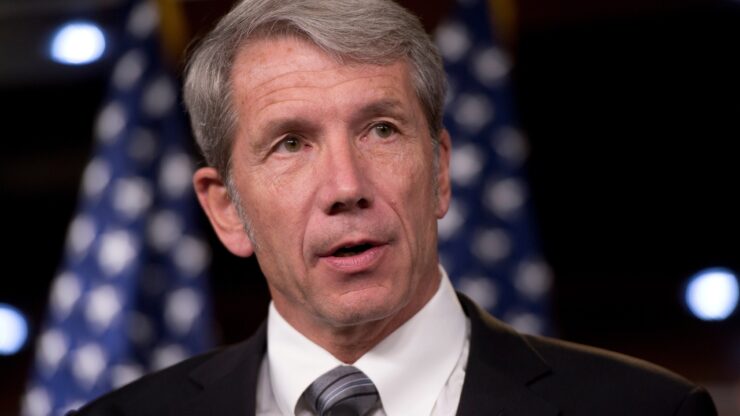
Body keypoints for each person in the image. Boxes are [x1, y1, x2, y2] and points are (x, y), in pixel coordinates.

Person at [73, 0, 717, 415]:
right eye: (291, 143)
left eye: (381, 130)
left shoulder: (648, 410)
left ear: (439, 171)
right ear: (226, 210)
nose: (345, 185)